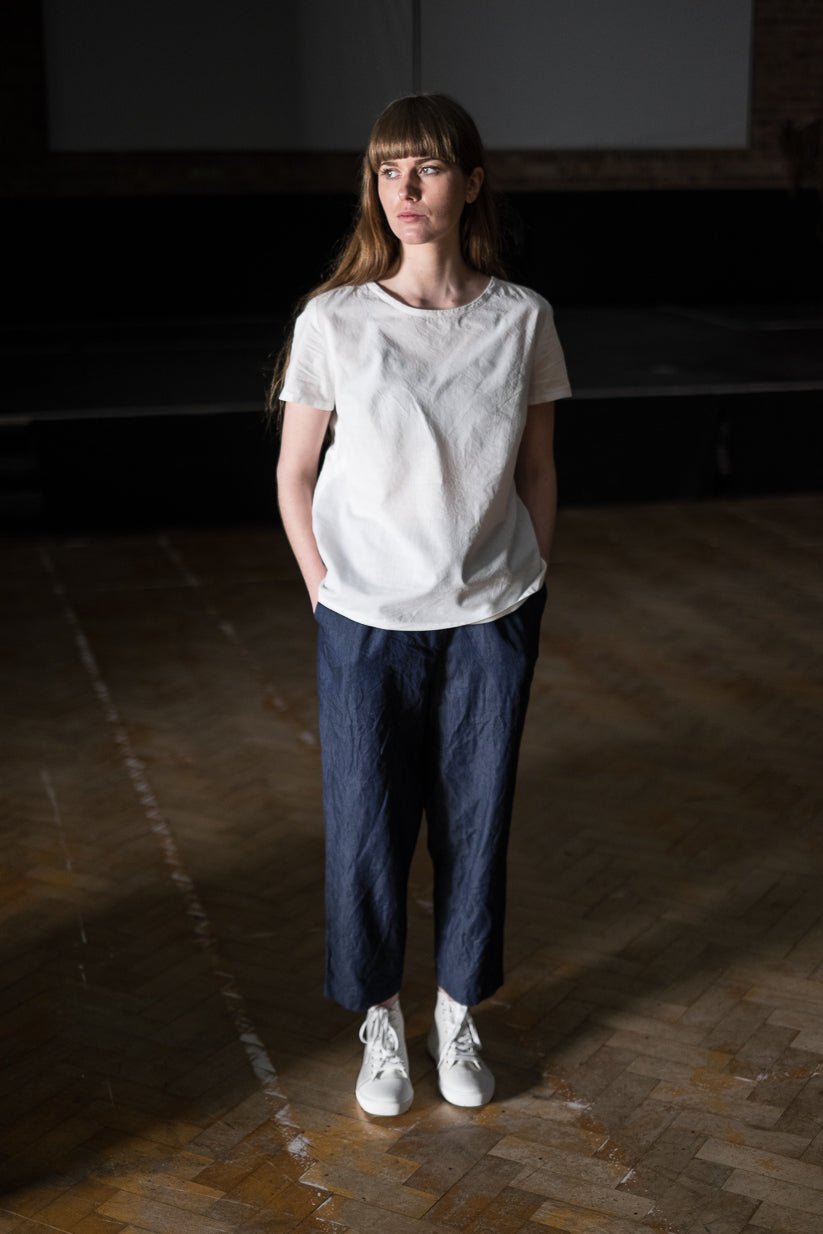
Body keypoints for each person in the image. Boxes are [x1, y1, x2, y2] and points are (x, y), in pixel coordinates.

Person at [273, 93, 571, 1117]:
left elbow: (537, 468)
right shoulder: (334, 320)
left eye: (428, 167)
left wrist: (526, 582)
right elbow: (294, 474)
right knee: (367, 828)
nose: (405, 188)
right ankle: (379, 1023)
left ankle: (454, 1013)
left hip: (490, 617)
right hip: (364, 622)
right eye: (388, 169)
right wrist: (326, 596)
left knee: (475, 826)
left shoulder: (521, 317)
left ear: (470, 183)